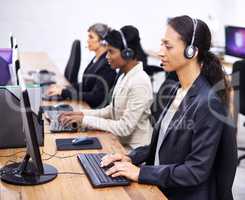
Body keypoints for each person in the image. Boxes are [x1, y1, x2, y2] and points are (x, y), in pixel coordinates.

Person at [99, 16, 237, 200]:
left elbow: (195, 171)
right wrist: (130, 158)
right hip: (162, 185)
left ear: (191, 51)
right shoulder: (178, 89)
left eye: (168, 46)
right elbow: (160, 144)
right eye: (162, 44)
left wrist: (141, 173)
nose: (160, 52)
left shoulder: (208, 103)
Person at [59, 25, 153, 151]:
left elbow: (124, 127)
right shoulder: (124, 76)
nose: (107, 56)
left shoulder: (139, 82)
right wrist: (82, 114)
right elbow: (111, 111)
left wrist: (85, 120)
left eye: (111, 51)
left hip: (132, 151)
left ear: (127, 53)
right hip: (117, 142)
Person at [46, 23, 117, 108]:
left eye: (91, 37)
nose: (88, 40)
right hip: (84, 105)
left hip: (91, 109)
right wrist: (64, 87)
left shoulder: (107, 65)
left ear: (103, 41)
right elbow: (85, 85)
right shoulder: (96, 59)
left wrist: (64, 92)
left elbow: (96, 97)